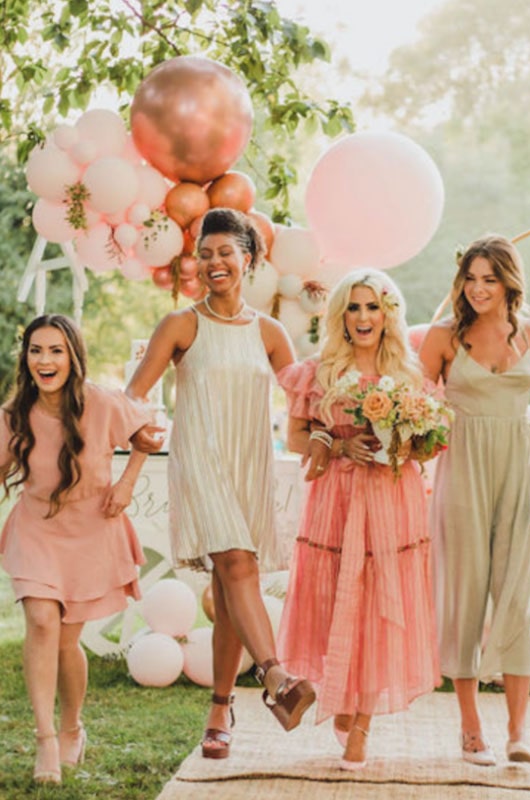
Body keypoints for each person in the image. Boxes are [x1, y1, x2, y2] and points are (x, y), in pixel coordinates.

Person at [126, 208, 314, 760]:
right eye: (205, 254)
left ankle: (219, 709)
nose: (214, 263)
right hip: (200, 459)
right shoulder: (181, 325)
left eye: (225, 252)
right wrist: (134, 429)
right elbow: (135, 395)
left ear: (247, 259)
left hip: (249, 463)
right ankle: (276, 677)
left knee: (234, 578)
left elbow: (304, 405)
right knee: (235, 562)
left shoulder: (270, 333)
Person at [419, 235, 530, 766]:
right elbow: (414, 406)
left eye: (489, 279)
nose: (478, 289)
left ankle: (519, 731)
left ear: (509, 283)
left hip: (517, 474)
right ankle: (471, 729)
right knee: (466, 597)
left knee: (515, 596)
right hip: (462, 474)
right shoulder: (443, 337)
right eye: (470, 279)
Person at [277, 269, 441, 770]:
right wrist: (337, 444)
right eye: (354, 307)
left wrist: (410, 442)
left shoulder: (409, 375)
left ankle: (363, 725)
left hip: (392, 499)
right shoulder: (318, 372)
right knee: (334, 599)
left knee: (381, 605)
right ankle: (344, 697)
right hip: (337, 497)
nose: (363, 317)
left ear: (388, 314)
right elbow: (295, 438)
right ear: (341, 316)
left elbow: (429, 445)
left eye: (373, 307)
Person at [0, 314, 153, 784]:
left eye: (56, 350)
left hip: (91, 528)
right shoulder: (14, 414)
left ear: (73, 357)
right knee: (42, 621)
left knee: (67, 641)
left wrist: (126, 483)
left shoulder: (101, 402)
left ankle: (72, 727)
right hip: (37, 528)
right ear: (26, 359)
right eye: (36, 350)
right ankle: (45, 739)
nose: (45, 360)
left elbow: (146, 433)